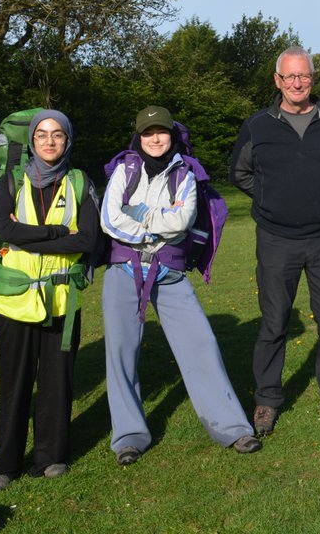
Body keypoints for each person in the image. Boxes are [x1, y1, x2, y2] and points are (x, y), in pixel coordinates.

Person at [100, 106, 260, 464]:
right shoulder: (124, 169)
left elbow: (183, 220)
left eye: (161, 132)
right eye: (147, 133)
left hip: (168, 271)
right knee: (121, 352)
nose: (155, 139)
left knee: (201, 343)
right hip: (123, 271)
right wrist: (157, 223)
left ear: (172, 135)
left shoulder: (185, 172)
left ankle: (232, 428)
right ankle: (129, 436)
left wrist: (139, 213)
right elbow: (110, 220)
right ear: (138, 137)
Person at [229, 47, 320, 434]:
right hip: (276, 239)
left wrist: (314, 200)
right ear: (277, 81)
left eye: (303, 76)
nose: (296, 83)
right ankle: (267, 400)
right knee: (273, 323)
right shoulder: (258, 125)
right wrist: (273, 200)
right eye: (289, 77)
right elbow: (240, 173)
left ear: (312, 78)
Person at [0, 110, 100, 492]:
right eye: (42, 136)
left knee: (57, 382)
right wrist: (54, 232)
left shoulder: (80, 182)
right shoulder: (10, 180)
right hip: (15, 299)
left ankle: (52, 456)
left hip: (61, 300)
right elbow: (6, 229)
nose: (49, 142)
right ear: (32, 141)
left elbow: (87, 240)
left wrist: (29, 236)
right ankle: (5, 464)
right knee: (14, 384)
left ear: (68, 141)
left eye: (57, 136)